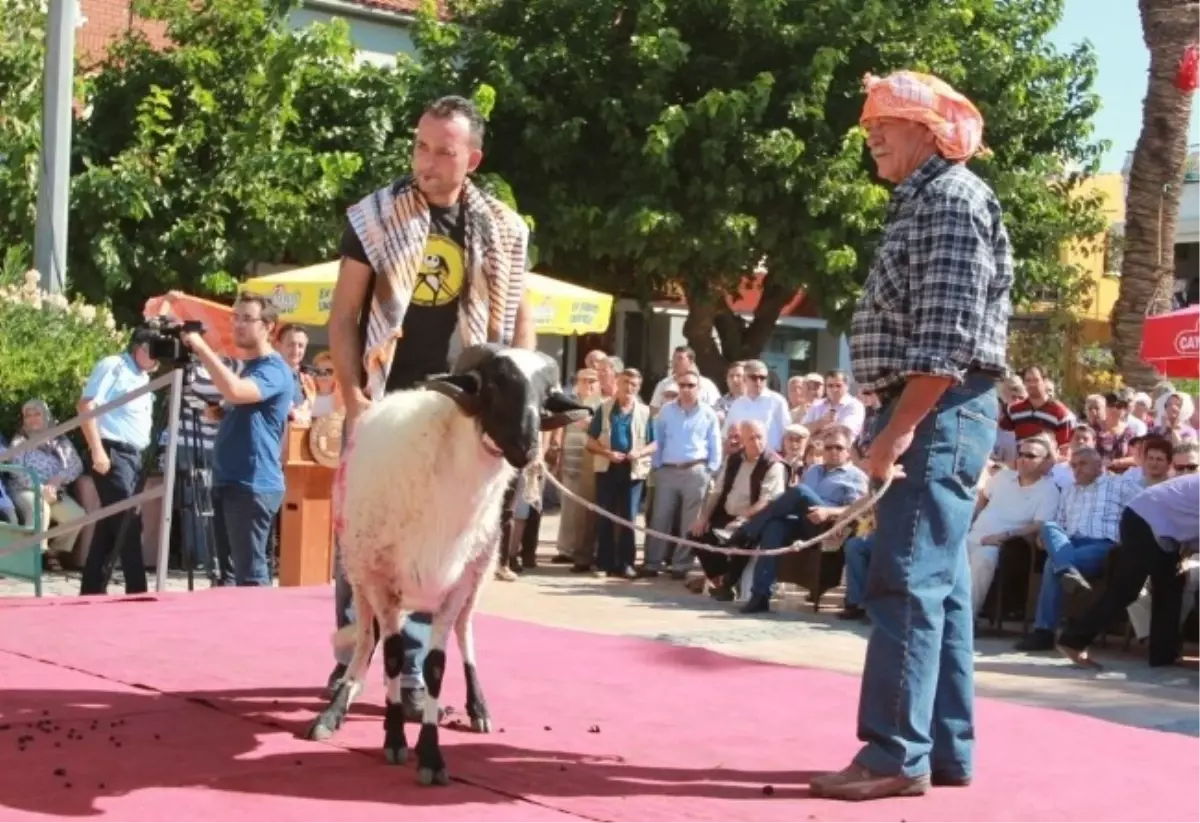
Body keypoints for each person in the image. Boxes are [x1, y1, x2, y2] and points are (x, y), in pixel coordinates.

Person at [810, 71, 1012, 801]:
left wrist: (895, 430)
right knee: (942, 588)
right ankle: (943, 748)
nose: (870, 137)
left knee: (904, 581)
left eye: (882, 125)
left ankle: (893, 751)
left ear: (926, 131)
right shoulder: (925, 201)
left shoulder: (951, 201)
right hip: (941, 410)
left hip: (938, 409)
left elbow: (945, 342)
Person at [324, 95, 536, 715]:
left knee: (443, 542)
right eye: (421, 146)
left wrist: (517, 400)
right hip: (389, 402)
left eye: (445, 151)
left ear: (473, 158)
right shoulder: (374, 217)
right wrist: (353, 397)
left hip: (465, 412)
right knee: (366, 536)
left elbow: (522, 327)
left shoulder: (504, 229)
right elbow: (341, 317)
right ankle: (357, 658)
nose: (428, 161)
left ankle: (413, 671)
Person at [182, 293, 293, 586]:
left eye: (247, 318)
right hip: (230, 480)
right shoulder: (250, 367)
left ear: (268, 326)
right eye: (236, 317)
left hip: (253, 484)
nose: (239, 325)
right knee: (230, 578)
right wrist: (221, 413)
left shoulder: (274, 368)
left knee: (251, 578)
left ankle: (259, 632)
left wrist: (201, 347)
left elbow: (237, 392)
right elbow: (241, 404)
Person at [1057, 474, 1200, 668]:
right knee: (1128, 588)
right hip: (1145, 520)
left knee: (1171, 585)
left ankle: (1164, 656)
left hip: (1152, 521)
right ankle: (1073, 640)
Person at [78, 329, 160, 595]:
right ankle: (138, 590)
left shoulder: (144, 377)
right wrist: (97, 450)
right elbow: (86, 405)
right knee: (128, 520)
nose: (159, 357)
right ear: (139, 347)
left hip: (133, 457)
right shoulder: (115, 366)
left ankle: (92, 588)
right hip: (112, 452)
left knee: (111, 526)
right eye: (154, 349)